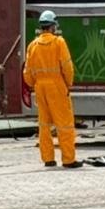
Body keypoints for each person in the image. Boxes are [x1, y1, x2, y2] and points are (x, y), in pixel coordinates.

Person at [22, 10, 80, 169]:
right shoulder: (59, 42)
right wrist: (68, 84)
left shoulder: (32, 45)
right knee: (64, 123)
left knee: (44, 124)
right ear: (53, 26)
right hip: (57, 86)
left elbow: (27, 71)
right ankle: (68, 159)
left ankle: (48, 158)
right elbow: (67, 66)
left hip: (40, 87)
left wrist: (34, 84)